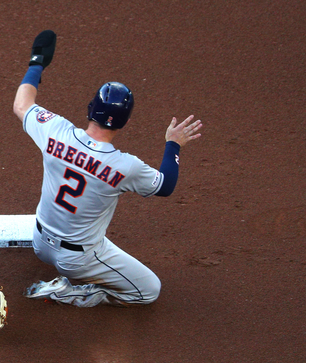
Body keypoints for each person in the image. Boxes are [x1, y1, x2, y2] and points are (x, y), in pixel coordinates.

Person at [12, 30, 204, 307]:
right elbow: (166, 185)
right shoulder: (125, 166)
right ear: (124, 123)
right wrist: (173, 144)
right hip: (77, 259)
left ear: (91, 109)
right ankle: (70, 292)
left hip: (40, 243)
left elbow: (21, 104)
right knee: (149, 290)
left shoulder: (56, 131)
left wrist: (37, 62)